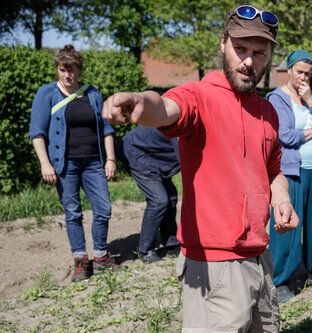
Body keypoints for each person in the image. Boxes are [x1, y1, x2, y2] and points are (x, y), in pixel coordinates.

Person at [102, 5, 298, 332]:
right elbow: (166, 107)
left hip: (261, 258)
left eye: (259, 52)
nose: (249, 61)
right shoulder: (200, 96)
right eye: (241, 49)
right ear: (223, 43)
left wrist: (281, 200)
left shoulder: (268, 111)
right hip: (214, 267)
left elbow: (272, 168)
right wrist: (140, 102)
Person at [29, 45, 119, 283]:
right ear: (57, 70)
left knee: (103, 209)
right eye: (62, 70)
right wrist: (44, 164)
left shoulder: (93, 94)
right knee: (73, 213)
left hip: (93, 163)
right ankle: (81, 260)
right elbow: (37, 133)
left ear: (79, 70)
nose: (67, 75)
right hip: (64, 164)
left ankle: (100, 257)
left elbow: (106, 129)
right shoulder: (46, 94)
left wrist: (110, 158)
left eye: (72, 70)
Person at [266, 49, 312, 303]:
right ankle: (281, 279)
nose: (303, 77)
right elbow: (285, 136)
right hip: (291, 171)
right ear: (289, 70)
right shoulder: (276, 99)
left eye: (308, 73)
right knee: (286, 226)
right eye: (299, 71)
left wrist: (310, 101)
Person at [117, 125, 181, 263]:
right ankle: (145, 250)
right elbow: (184, 157)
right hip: (134, 150)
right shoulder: (182, 125)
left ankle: (172, 244)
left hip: (152, 155)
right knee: (159, 200)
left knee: (171, 197)